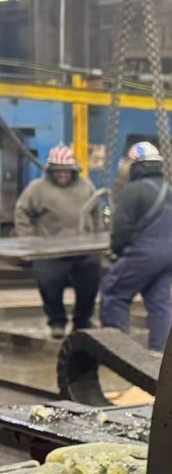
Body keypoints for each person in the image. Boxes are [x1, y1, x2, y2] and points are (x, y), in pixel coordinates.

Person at [101, 142, 172, 352]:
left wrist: (117, 252)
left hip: (144, 254)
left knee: (114, 292)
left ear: (136, 166)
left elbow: (121, 230)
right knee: (160, 305)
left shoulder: (133, 191)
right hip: (171, 256)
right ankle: (160, 356)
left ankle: (118, 352)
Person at [15, 145, 103, 339]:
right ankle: (57, 321)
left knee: (89, 284)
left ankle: (82, 321)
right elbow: (22, 213)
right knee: (49, 285)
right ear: (51, 171)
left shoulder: (86, 187)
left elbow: (96, 213)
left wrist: (97, 238)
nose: (62, 174)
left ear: (73, 171)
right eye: (58, 171)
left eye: (66, 171)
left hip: (83, 249)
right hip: (50, 251)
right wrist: (29, 240)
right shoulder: (37, 189)